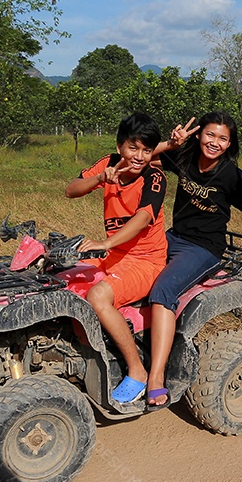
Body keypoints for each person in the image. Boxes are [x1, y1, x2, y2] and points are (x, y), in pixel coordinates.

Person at [145, 111, 242, 409]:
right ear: (199, 134)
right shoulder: (185, 158)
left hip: (206, 249)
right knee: (136, 273)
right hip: (173, 237)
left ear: (229, 144)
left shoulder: (230, 175)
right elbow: (145, 159)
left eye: (222, 138)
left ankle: (156, 376)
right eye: (210, 134)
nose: (215, 142)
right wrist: (170, 144)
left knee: (163, 292)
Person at [65, 112, 168, 405]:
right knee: (62, 278)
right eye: (133, 148)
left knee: (98, 296)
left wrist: (105, 242)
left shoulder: (155, 177)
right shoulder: (108, 163)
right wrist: (99, 178)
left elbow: (143, 217)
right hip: (115, 255)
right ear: (121, 146)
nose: (139, 156)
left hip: (145, 259)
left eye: (147, 150)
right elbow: (70, 190)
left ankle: (137, 371)